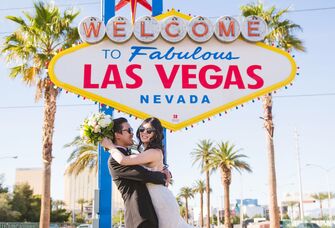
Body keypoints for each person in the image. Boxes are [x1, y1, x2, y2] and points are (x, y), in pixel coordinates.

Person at [102, 117, 192, 228]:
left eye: (149, 131)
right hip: (143, 211)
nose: (143, 133)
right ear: (117, 135)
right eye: (141, 129)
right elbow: (144, 173)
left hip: (159, 200)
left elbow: (127, 161)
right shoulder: (117, 158)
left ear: (155, 134)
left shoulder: (150, 152)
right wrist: (163, 174)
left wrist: (110, 147)